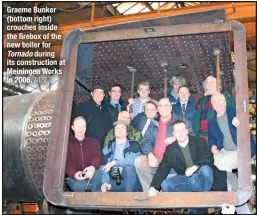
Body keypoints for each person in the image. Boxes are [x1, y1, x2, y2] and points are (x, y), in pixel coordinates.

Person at [148, 120, 227, 214]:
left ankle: (196, 206)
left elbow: (209, 158)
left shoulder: (199, 141)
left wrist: (196, 167)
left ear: (187, 131)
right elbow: (162, 169)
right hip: (188, 179)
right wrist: (153, 187)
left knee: (206, 169)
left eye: (182, 130)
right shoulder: (170, 149)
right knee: (165, 185)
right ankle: (196, 199)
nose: (180, 133)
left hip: (203, 177)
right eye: (177, 131)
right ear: (173, 133)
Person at [135, 98, 177, 192]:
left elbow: (190, 137)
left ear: (170, 107)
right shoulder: (153, 123)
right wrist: (150, 154)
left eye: (166, 105)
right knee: (139, 162)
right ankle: (150, 192)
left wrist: (176, 139)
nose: (163, 108)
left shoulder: (179, 121)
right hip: (156, 159)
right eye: (161, 106)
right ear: (158, 109)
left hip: (173, 161)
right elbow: (145, 141)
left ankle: (158, 190)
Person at [208, 92, 256, 172]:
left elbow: (246, 118)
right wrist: (213, 146)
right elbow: (211, 138)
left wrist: (239, 121)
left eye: (220, 101)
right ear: (212, 105)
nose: (217, 104)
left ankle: (232, 183)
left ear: (225, 102)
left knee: (224, 164)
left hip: (242, 150)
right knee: (214, 161)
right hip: (225, 150)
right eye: (214, 102)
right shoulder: (212, 121)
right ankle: (231, 182)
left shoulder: (234, 111)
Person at [100, 121, 142, 192]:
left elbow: (133, 161)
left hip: (130, 181)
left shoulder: (134, 145)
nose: (120, 130)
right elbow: (103, 166)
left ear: (127, 132)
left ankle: (128, 199)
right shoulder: (108, 148)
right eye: (117, 128)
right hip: (114, 181)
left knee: (128, 168)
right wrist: (105, 182)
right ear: (114, 132)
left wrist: (114, 162)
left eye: (123, 128)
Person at [65, 116, 102, 192]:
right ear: (73, 128)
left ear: (85, 128)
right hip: (75, 176)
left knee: (97, 176)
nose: (81, 129)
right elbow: (67, 165)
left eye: (83, 126)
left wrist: (92, 167)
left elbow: (97, 157)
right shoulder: (67, 145)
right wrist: (74, 174)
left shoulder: (94, 142)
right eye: (78, 126)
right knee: (81, 187)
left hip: (91, 174)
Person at [74, 85, 113, 150]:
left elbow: (109, 128)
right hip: (86, 145)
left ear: (103, 96)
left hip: (102, 146)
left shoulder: (106, 110)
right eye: (97, 92)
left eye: (101, 93)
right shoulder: (83, 107)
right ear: (92, 94)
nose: (99, 95)